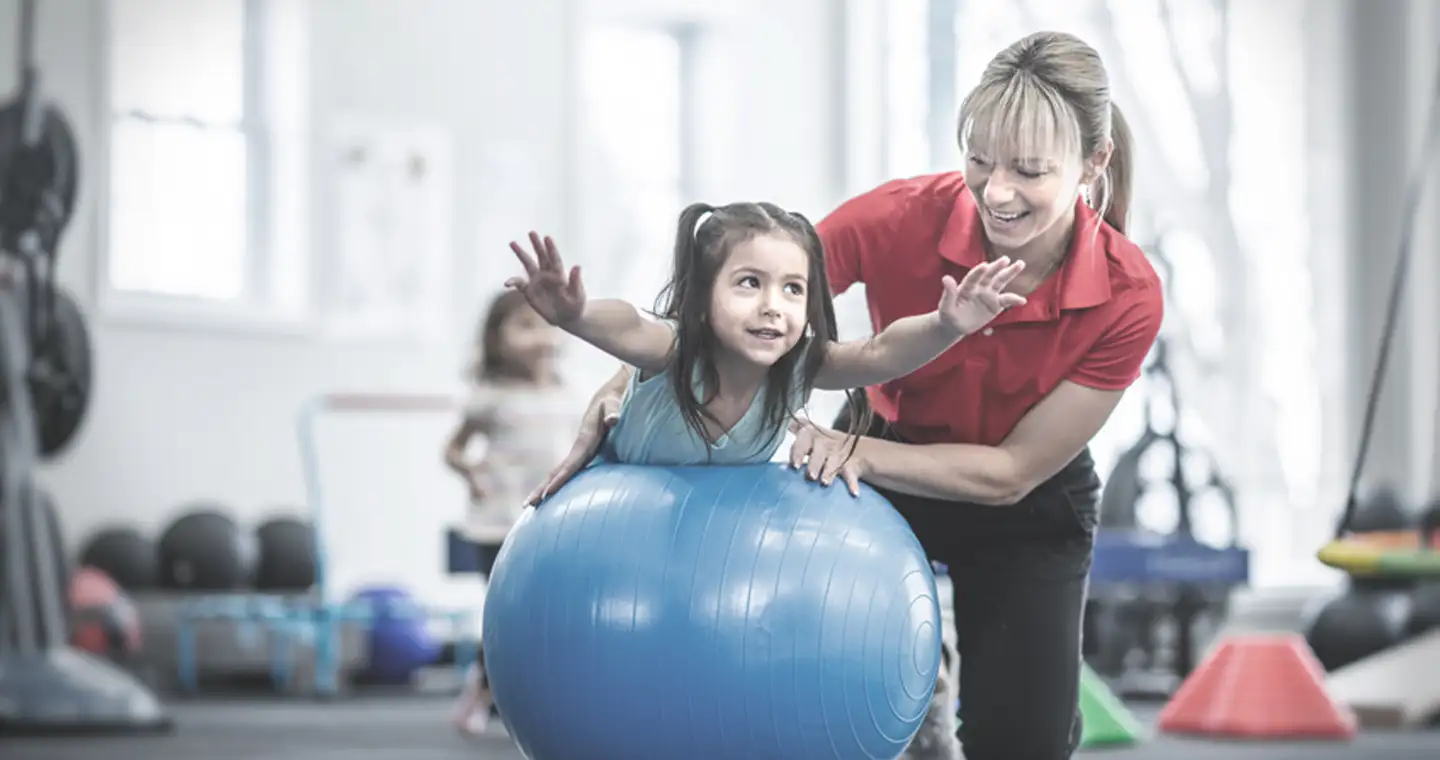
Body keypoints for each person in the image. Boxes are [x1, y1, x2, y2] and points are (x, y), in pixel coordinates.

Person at [526, 31, 1163, 760]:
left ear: (1094, 163)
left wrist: (849, 449)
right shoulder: (898, 217)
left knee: (1022, 743)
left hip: (1023, 504)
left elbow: (1012, 471)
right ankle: (921, 669)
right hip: (880, 453)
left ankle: (944, 674)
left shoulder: (1129, 292)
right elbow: (734, 305)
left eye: (1029, 171)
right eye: (979, 160)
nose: (996, 191)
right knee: (809, 686)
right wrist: (624, 381)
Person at [502, 201, 1025, 472]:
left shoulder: (798, 368)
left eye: (792, 289)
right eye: (749, 283)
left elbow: (880, 352)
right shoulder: (679, 353)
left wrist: (946, 325)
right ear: (702, 301)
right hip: (626, 521)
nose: (773, 306)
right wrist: (576, 315)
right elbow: (632, 326)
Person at [442, 289, 579, 735]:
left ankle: (526, 695)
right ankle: (480, 690)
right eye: (524, 326)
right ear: (496, 339)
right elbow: (453, 449)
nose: (539, 336)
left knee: (546, 615)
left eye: (545, 325)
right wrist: (472, 472)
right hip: (497, 522)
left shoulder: (569, 394)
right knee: (503, 615)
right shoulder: (490, 396)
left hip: (549, 523)